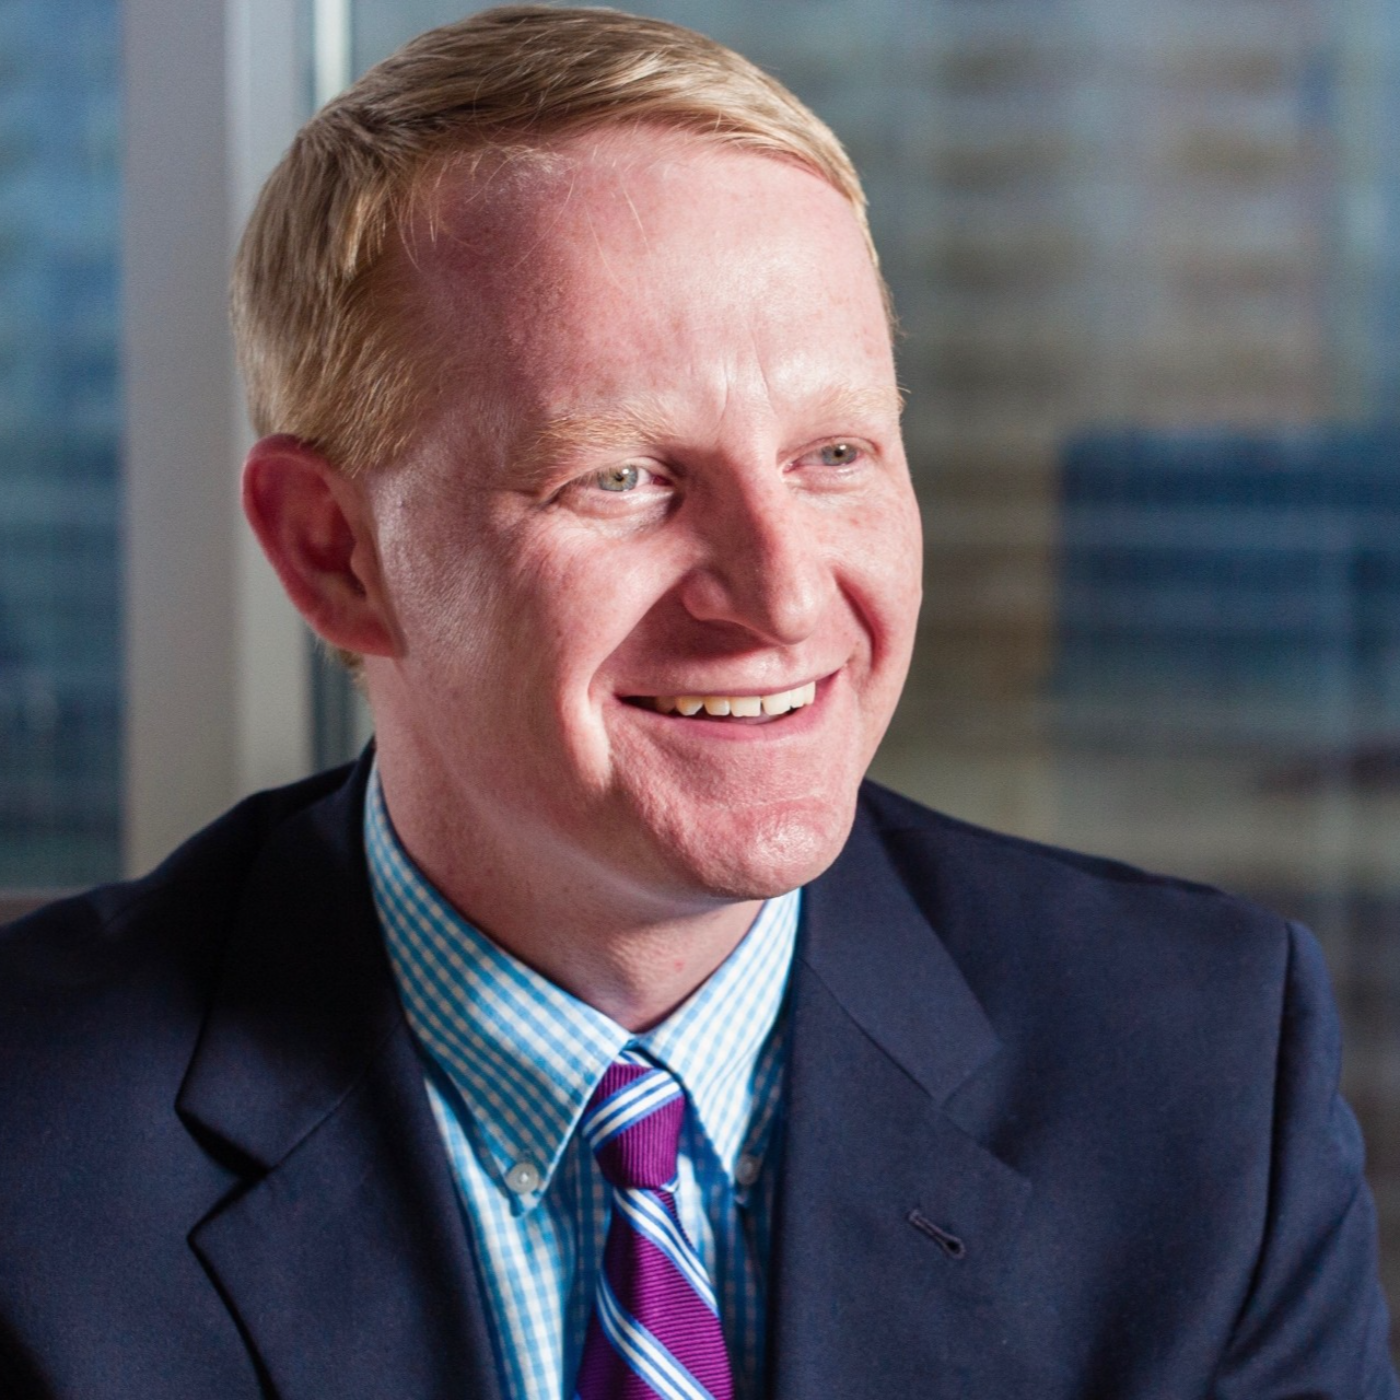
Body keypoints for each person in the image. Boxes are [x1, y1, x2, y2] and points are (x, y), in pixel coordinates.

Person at [0, 7, 1395, 1398]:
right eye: (621, 478)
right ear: (334, 553)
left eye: (834, 453)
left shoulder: (1202, 1078)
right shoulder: (30, 1151)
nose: (785, 598)